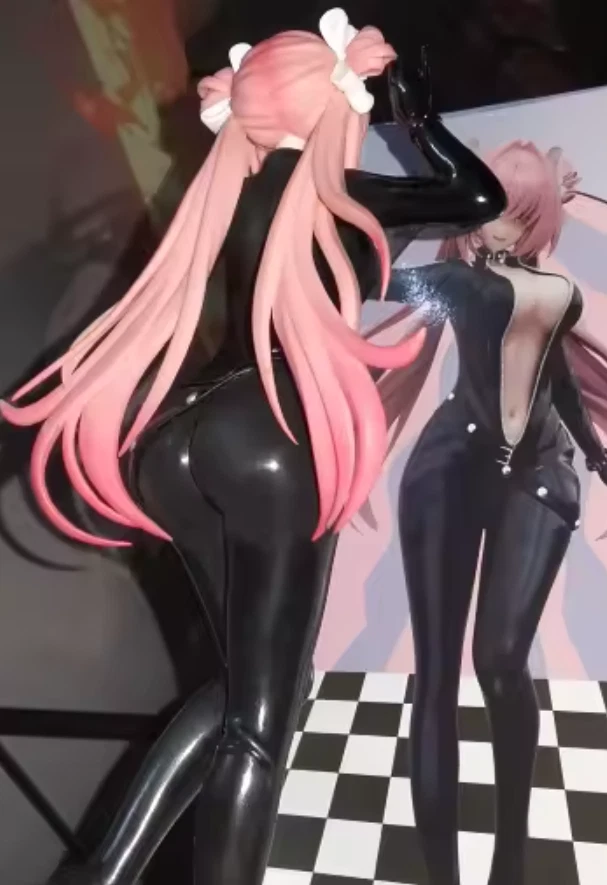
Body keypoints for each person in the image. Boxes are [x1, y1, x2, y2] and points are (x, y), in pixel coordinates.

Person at [0, 10, 505, 885]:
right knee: (263, 725)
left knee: (248, 689)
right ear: (329, 105)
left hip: (182, 437)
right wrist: (421, 121)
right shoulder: (343, 194)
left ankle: (106, 869)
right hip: (273, 437)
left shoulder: (227, 196)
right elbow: (479, 199)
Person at [365, 139, 607, 885]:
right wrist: (425, 203)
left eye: (519, 210)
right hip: (447, 471)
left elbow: (557, 378)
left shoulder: (555, 291)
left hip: (540, 475)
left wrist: (599, 459)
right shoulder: (461, 283)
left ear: (540, 214)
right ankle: (444, 875)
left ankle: (510, 862)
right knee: (436, 674)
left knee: (498, 660)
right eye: (491, 206)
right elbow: (370, 277)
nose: (498, 223)